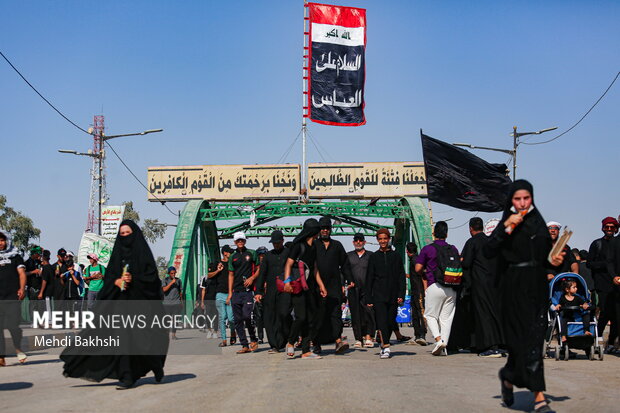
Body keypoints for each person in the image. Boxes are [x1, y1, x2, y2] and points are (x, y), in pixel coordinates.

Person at [484, 179, 565, 413]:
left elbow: (544, 258)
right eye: (517, 199)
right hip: (511, 288)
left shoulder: (538, 224)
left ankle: (539, 397)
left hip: (536, 288)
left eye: (526, 199)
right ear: (511, 200)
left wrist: (554, 261)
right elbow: (490, 250)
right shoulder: (507, 223)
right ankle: (509, 378)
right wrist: (507, 226)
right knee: (519, 344)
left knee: (533, 342)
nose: (522, 203)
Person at [61, 219, 168, 390]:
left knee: (144, 341)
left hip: (141, 306)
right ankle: (127, 376)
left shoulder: (143, 254)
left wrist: (135, 279)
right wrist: (117, 281)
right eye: (122, 234)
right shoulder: (117, 255)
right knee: (122, 339)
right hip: (121, 306)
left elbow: (152, 280)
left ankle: (156, 366)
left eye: (128, 234)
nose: (125, 237)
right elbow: (109, 278)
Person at [415, 221, 460, 356]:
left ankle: (439, 340)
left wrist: (424, 271)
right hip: (452, 287)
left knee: (430, 315)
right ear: (446, 234)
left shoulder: (428, 249)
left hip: (434, 285)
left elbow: (417, 268)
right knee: (446, 318)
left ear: (434, 233)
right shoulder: (453, 249)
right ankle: (444, 347)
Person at [283, 218, 326, 359]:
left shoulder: (314, 247)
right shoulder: (298, 246)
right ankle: (290, 342)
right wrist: (287, 281)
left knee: (310, 319)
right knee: (301, 317)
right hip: (297, 287)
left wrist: (321, 285)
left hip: (310, 287)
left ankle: (306, 350)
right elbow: (288, 264)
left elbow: (314, 269)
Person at [461, 217, 503, 357]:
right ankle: (499, 344)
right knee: (494, 313)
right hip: (495, 283)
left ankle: (489, 346)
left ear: (471, 228)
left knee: (483, 314)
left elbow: (466, 263)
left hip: (479, 283)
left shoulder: (472, 242)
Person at [365, 228, 406, 359]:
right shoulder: (374, 257)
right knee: (381, 321)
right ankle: (386, 346)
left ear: (389, 239)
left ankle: (384, 344)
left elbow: (401, 277)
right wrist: (368, 298)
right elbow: (369, 278)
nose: (383, 241)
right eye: (380, 239)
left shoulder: (396, 256)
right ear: (377, 240)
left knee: (390, 321)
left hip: (393, 294)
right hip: (378, 295)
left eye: (385, 238)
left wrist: (401, 294)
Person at [313, 216, 351, 354]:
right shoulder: (314, 245)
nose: (325, 231)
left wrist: (349, 279)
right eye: (322, 228)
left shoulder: (337, 245)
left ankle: (337, 341)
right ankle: (316, 344)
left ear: (330, 229)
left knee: (335, 315)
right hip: (317, 287)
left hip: (334, 287)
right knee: (318, 316)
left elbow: (345, 264)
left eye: (327, 228)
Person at [255, 231, 291, 353]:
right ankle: (274, 345)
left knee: (284, 314)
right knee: (269, 317)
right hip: (270, 290)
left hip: (285, 289)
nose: (276, 245)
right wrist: (258, 291)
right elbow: (262, 274)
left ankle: (284, 340)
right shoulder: (268, 256)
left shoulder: (288, 253)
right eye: (274, 243)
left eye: (278, 242)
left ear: (282, 241)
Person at [588, 217, 619, 353]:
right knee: (605, 312)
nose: (609, 230)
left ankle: (611, 342)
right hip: (602, 284)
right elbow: (589, 263)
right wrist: (605, 265)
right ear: (603, 228)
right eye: (607, 227)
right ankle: (597, 337)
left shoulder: (617, 243)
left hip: (616, 284)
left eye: (612, 228)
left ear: (616, 229)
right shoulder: (597, 244)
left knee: (616, 315)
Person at [227, 231, 259, 354]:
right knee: (238, 320)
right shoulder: (232, 257)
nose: (240, 242)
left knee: (247, 316)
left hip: (247, 292)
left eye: (242, 240)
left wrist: (252, 278)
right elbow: (230, 275)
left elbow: (259, 268)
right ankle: (244, 345)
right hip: (236, 292)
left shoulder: (251, 253)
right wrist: (230, 293)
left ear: (245, 241)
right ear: (235, 242)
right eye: (238, 240)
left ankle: (253, 338)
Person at [0, 229, 27, 366]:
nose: (0, 243)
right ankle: (1, 356)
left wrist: (22, 288)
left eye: (2, 240)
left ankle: (18, 348)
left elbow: (22, 273)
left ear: (7, 240)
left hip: (12, 297)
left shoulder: (15, 256)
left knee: (13, 326)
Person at [346, 233, 375, 348]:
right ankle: (358, 338)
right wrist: (345, 283)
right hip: (353, 289)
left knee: (369, 312)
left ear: (364, 242)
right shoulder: (348, 256)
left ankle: (369, 336)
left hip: (368, 289)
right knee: (355, 314)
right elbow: (344, 270)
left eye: (360, 240)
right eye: (356, 240)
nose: (358, 242)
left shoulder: (371, 256)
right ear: (353, 242)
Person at [212, 245, 235, 347]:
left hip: (230, 294)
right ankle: (224, 340)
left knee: (231, 318)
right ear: (225, 253)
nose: (231, 253)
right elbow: (208, 275)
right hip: (220, 294)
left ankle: (233, 332)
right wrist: (218, 270)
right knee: (222, 317)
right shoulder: (218, 263)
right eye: (230, 252)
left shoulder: (233, 263)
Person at [555, 279, 592, 343]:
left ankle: (586, 330)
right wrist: (558, 305)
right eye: (574, 287)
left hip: (577, 316)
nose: (576, 289)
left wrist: (584, 305)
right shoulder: (563, 298)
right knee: (563, 320)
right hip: (568, 316)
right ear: (567, 289)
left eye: (576, 287)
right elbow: (560, 304)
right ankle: (563, 335)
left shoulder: (577, 297)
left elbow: (584, 303)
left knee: (586, 315)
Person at [405, 241, 427, 345]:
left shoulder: (414, 260)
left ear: (407, 251)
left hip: (418, 291)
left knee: (419, 313)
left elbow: (422, 275)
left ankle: (421, 335)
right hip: (417, 290)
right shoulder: (416, 259)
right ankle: (418, 335)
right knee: (416, 313)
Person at [162, 266, 183, 340]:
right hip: (167, 304)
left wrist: (181, 302)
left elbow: (180, 292)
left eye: (174, 273)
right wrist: (171, 283)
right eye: (172, 273)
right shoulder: (165, 280)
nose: (173, 274)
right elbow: (164, 289)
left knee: (175, 320)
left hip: (176, 303)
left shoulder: (179, 281)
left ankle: (173, 335)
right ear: (169, 273)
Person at [254, 246, 269, 344]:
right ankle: (260, 337)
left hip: (268, 292)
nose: (262, 257)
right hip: (258, 292)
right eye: (260, 255)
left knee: (269, 316)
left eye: (264, 255)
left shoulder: (269, 265)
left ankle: (272, 336)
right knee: (259, 316)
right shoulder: (254, 266)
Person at [25, 246, 43, 319]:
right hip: (31, 286)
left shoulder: (39, 262)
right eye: (38, 254)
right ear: (34, 254)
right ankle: (33, 320)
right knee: (32, 304)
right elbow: (24, 273)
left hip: (39, 286)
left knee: (40, 305)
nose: (39, 256)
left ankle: (39, 320)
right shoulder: (27, 263)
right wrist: (33, 272)